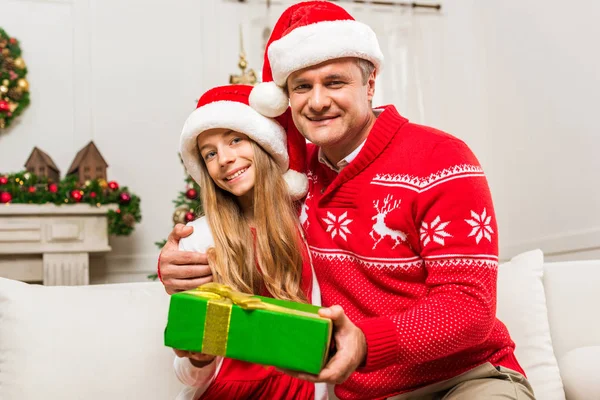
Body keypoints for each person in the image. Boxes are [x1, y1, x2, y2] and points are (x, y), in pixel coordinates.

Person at [161, 2, 536, 399]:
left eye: (335, 82)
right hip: (359, 393)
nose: (317, 101)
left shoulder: (440, 158)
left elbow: (469, 307)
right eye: (302, 86)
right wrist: (176, 263)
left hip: (463, 379)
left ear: (370, 83)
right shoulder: (294, 178)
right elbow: (238, 219)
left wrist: (367, 343)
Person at [169, 84, 326, 400]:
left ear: (264, 143)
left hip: (303, 389)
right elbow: (188, 371)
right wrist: (199, 355)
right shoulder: (199, 239)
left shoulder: (310, 222)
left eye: (235, 140)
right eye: (210, 153)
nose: (224, 159)